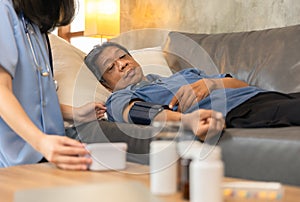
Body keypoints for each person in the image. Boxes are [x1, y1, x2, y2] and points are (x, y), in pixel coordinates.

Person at [84, 42, 300, 140]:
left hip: (266, 97)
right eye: (110, 67)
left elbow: (242, 86)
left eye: (122, 56)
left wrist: (211, 84)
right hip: (238, 112)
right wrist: (186, 120)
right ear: (106, 84)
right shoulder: (120, 97)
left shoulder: (184, 75)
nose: (121, 64)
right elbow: (136, 113)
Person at [0, 0, 105, 169]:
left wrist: (75, 114)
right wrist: (41, 142)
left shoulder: (37, 26)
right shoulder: (3, 10)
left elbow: (35, 99)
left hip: (51, 154)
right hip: (13, 162)